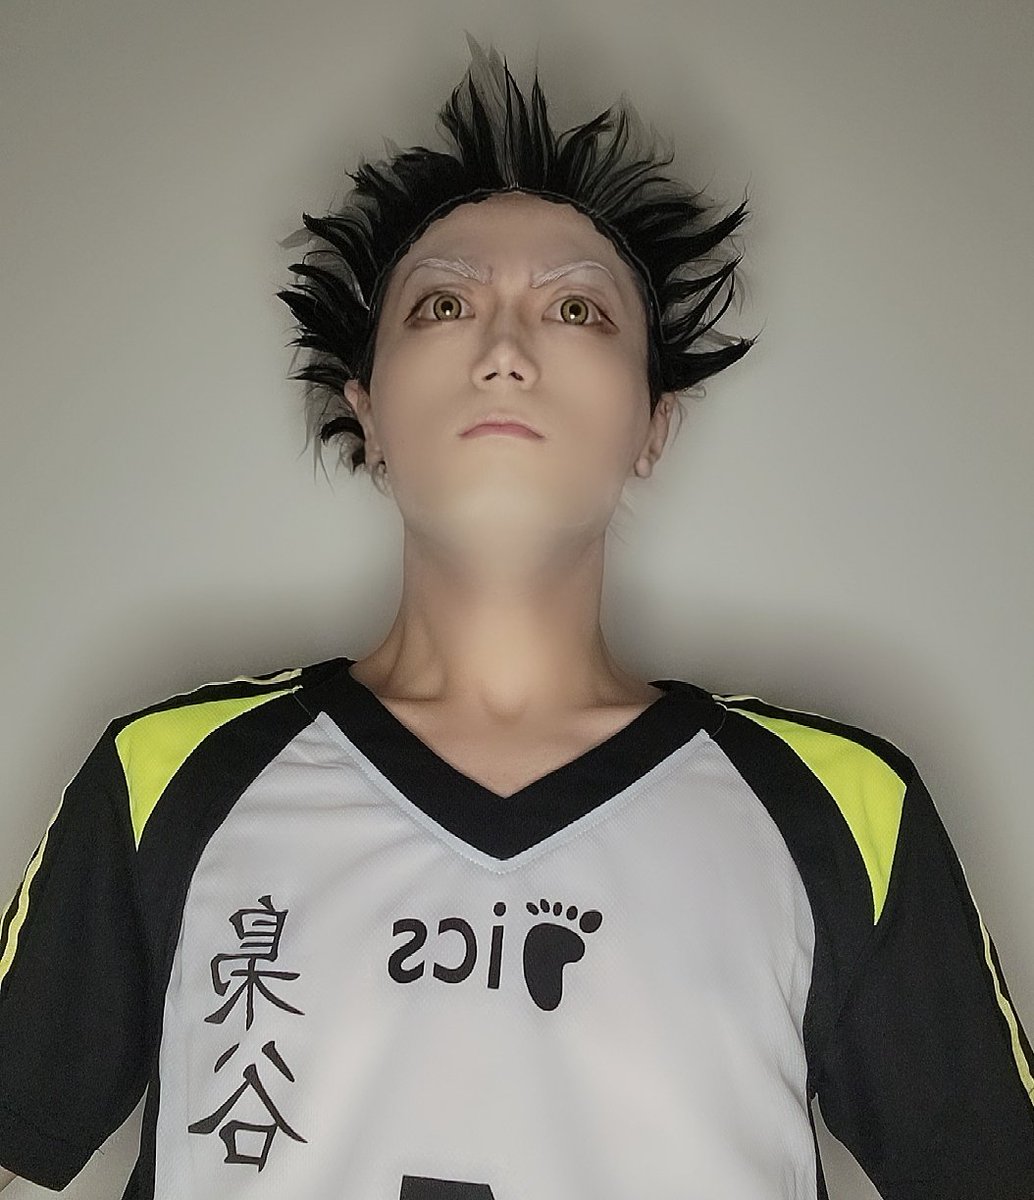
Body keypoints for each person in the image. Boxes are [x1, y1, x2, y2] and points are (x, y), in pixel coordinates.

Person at [1, 33, 1032, 1200]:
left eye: (576, 310)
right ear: (365, 409)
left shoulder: (843, 811)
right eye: (442, 304)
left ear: (651, 424)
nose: (503, 351)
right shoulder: (163, 779)